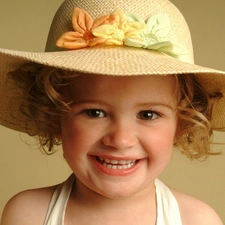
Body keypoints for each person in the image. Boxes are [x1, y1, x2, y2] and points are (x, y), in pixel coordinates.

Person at [0, 0, 224, 224]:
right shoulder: (27, 215)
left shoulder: (198, 220)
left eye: (148, 115)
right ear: (53, 117)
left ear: (183, 122)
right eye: (95, 113)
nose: (120, 140)